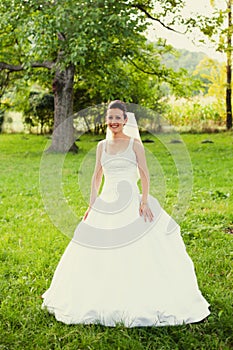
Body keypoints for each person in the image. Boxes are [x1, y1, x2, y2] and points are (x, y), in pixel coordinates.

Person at [42, 100, 210, 327]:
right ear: (106, 120)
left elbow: (145, 174)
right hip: (107, 201)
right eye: (110, 118)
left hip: (131, 200)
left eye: (118, 118)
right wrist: (92, 205)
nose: (113, 122)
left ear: (125, 120)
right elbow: (96, 177)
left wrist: (144, 200)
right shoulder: (101, 145)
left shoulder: (135, 145)